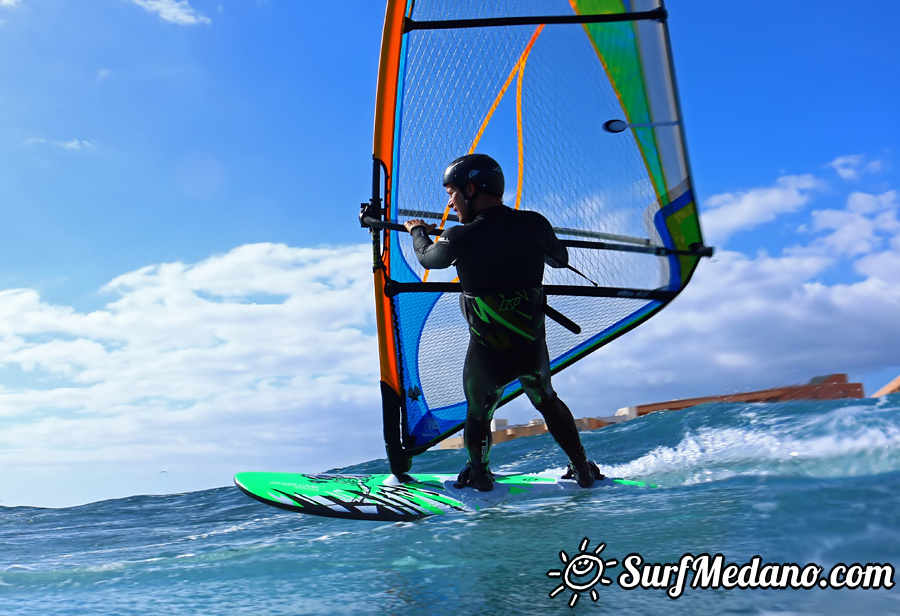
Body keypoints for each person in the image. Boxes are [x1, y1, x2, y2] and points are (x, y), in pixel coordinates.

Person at [403, 153, 603, 491]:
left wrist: (418, 231)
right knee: (548, 401)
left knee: (479, 413)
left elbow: (429, 258)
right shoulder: (534, 224)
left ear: (470, 189)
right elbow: (560, 259)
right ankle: (582, 468)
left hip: (488, 354)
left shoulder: (461, 237)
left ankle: (480, 476)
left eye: (451, 193)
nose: (450, 203)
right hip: (531, 349)